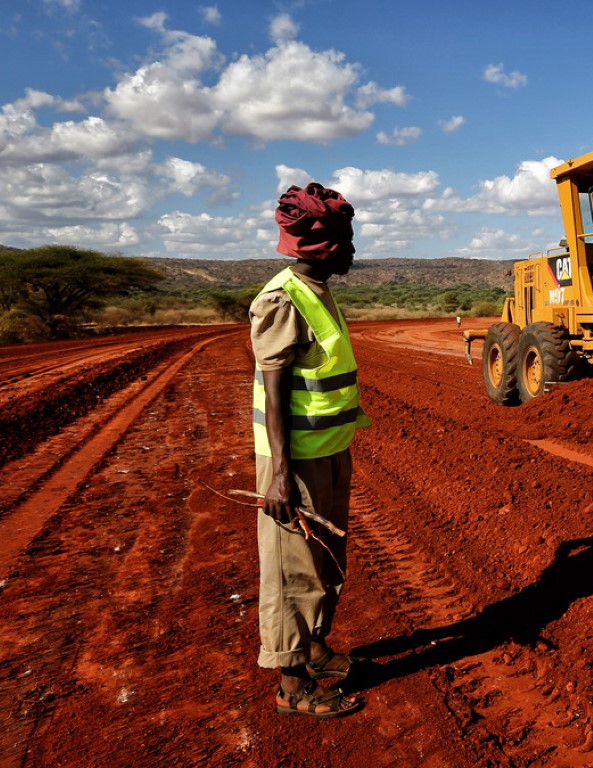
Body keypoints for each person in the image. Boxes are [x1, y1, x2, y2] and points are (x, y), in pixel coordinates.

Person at [250, 182, 371, 719]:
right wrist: (280, 475)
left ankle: (315, 648)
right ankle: (292, 685)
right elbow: (274, 393)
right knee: (293, 569)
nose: (353, 251)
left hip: (328, 450)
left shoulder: (318, 289)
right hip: (293, 460)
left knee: (324, 559)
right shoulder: (282, 300)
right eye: (347, 242)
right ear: (325, 248)